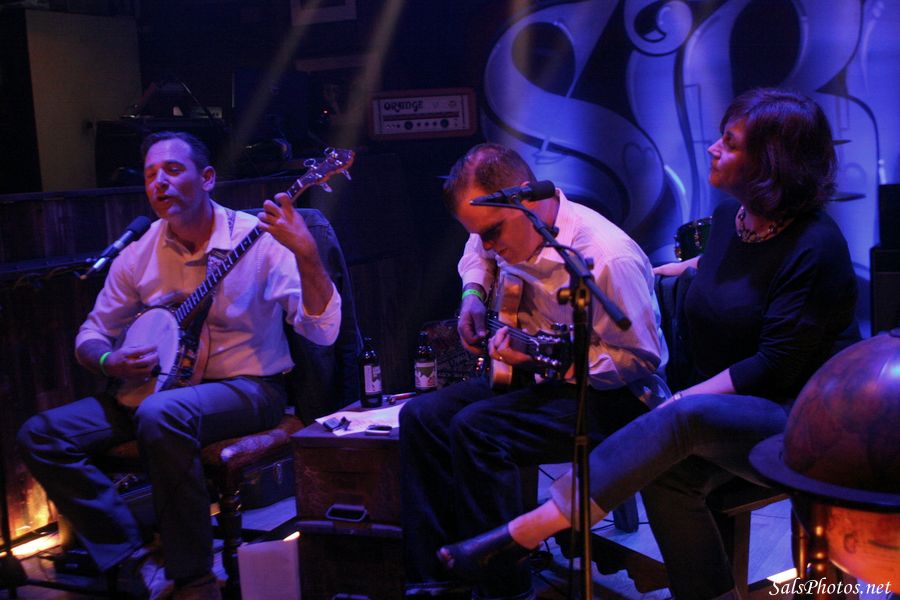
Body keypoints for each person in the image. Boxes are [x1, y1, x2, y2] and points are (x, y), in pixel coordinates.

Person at [437, 89, 859, 599]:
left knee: (679, 418)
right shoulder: (735, 217)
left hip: (804, 420)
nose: (714, 148)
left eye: (730, 142)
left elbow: (773, 365)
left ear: (771, 162)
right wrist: (660, 272)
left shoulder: (817, 245)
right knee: (667, 468)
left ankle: (529, 530)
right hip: (728, 415)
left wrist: (680, 400)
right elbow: (727, 270)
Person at [17, 131, 341, 599]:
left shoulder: (257, 239)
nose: (159, 182)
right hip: (158, 388)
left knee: (160, 414)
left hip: (249, 387)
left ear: (207, 178)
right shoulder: (139, 252)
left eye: (172, 169)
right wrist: (110, 360)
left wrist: (307, 254)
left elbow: (323, 331)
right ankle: (132, 554)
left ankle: (194, 578)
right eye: (151, 174)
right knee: (42, 434)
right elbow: (91, 335)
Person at [400, 143, 667, 599]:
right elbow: (477, 247)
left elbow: (640, 358)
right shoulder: (503, 226)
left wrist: (553, 362)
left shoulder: (605, 255)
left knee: (476, 430)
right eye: (479, 233)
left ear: (527, 198)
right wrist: (473, 294)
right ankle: (435, 581)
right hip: (540, 375)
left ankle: (503, 588)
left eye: (493, 231)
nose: (488, 244)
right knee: (421, 417)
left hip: (614, 396)